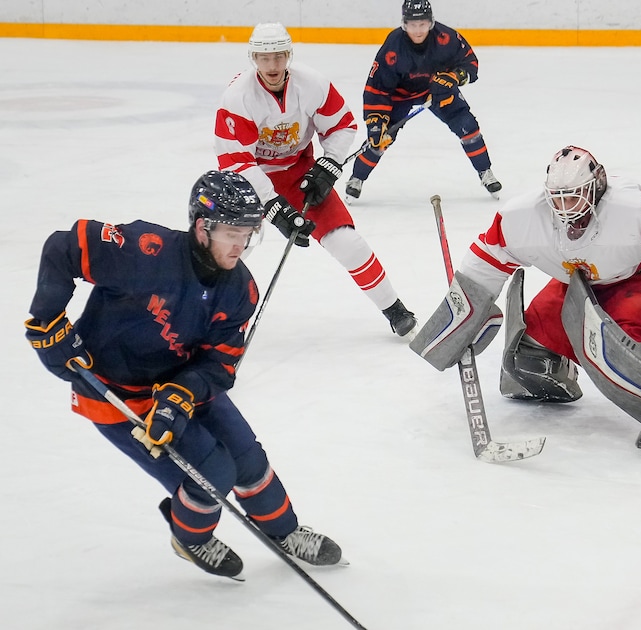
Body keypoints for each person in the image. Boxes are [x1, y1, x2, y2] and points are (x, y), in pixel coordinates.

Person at [23, 171, 345, 580]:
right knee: (212, 476)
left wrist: (183, 391)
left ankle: (285, 531)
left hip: (182, 385)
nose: (240, 245)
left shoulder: (239, 290)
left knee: (248, 458)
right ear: (201, 227)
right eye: (231, 232)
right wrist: (47, 319)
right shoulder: (145, 251)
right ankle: (190, 537)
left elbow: (221, 364)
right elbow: (63, 247)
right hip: (115, 393)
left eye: (248, 233)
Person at [410, 146, 641, 458]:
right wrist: (462, 317)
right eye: (558, 197)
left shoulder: (629, 211)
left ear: (598, 186)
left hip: (639, 281)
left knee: (614, 347)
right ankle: (556, 372)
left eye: (575, 195)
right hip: (579, 282)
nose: (566, 206)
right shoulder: (522, 217)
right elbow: (484, 264)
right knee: (528, 355)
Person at [215, 22, 417, 337]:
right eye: (265, 58)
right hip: (247, 180)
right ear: (253, 58)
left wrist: (329, 164)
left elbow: (342, 125)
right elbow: (236, 161)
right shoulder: (238, 97)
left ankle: (395, 310)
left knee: (347, 242)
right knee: (226, 247)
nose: (273, 65)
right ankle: (208, 318)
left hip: (299, 172)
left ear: (289, 55)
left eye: (279, 56)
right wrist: (272, 206)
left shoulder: (312, 84)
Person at [346, 0, 501, 201]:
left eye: (422, 24)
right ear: (404, 24)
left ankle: (485, 171)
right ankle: (357, 178)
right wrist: (376, 120)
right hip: (400, 95)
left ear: (431, 23)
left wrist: (454, 77)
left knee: (467, 126)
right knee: (380, 138)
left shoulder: (447, 37)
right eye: (412, 24)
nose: (418, 30)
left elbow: (470, 62)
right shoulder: (393, 46)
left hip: (437, 91)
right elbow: (378, 88)